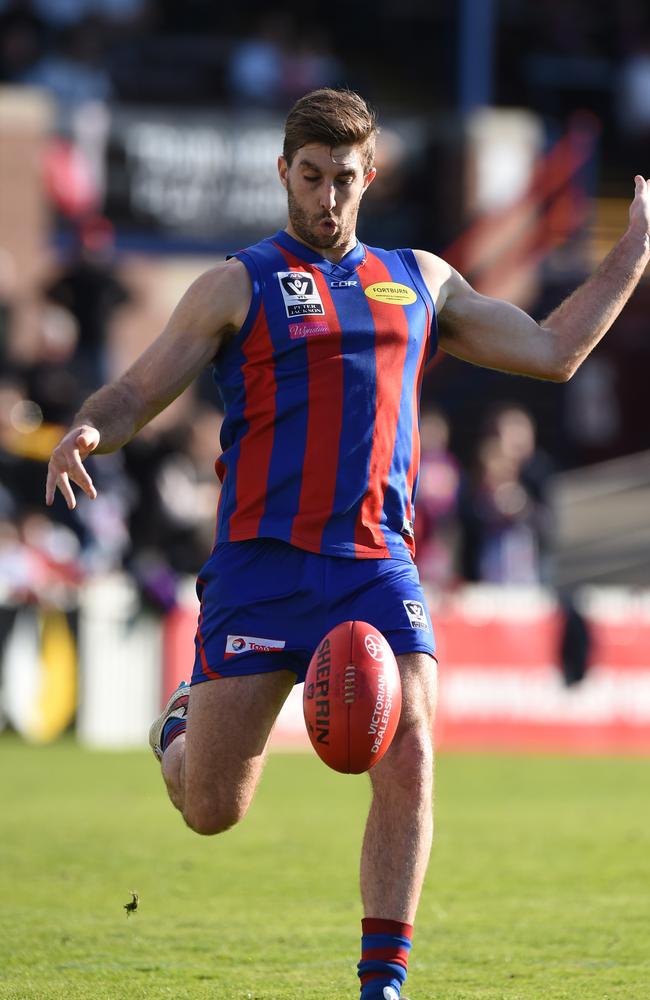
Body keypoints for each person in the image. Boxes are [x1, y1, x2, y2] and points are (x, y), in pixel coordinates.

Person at [45, 88, 650, 1000]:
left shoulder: (421, 279)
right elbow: (137, 392)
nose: (328, 198)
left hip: (376, 565)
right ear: (284, 173)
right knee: (210, 809)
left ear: (370, 177)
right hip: (261, 564)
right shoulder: (235, 284)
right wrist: (89, 430)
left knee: (412, 738)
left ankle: (384, 983)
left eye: (345, 179)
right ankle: (181, 723)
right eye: (312, 177)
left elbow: (551, 351)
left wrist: (635, 250)